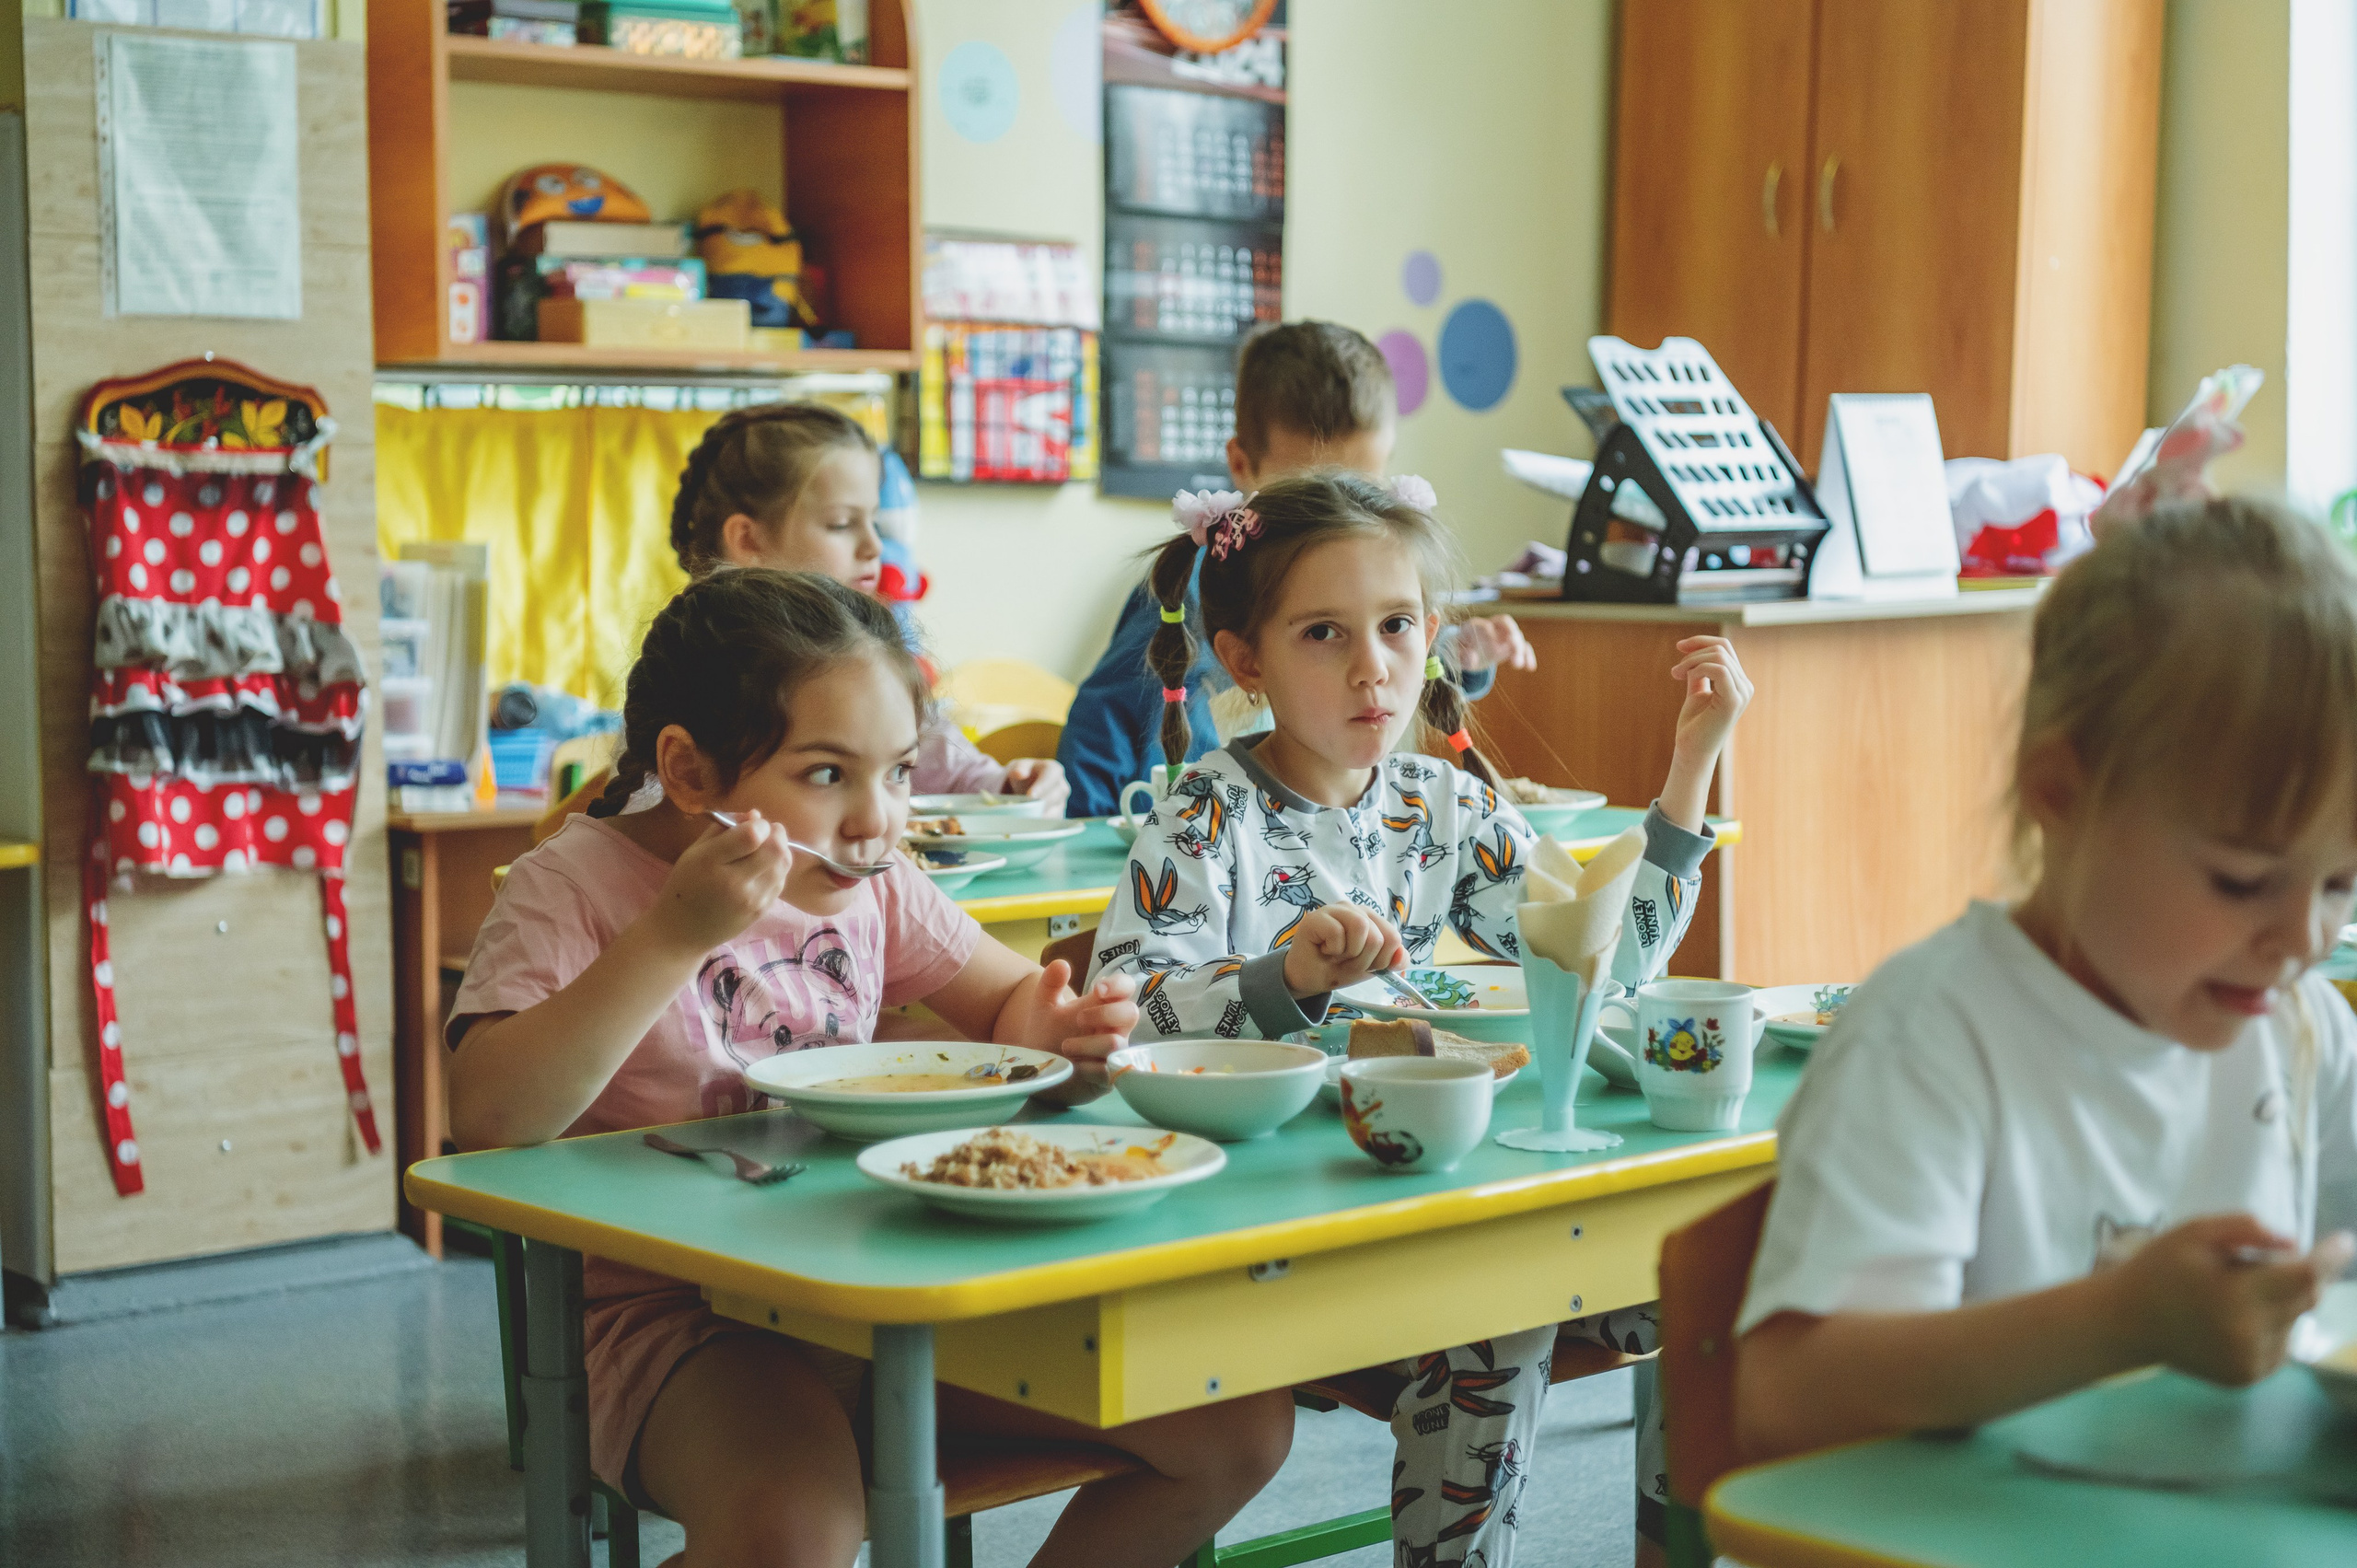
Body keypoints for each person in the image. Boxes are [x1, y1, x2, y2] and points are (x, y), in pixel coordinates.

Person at [447, 570, 1292, 1567]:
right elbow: (490, 1114)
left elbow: (1011, 1003)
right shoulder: (574, 885)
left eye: (896, 772)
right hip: (675, 1319)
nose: (875, 817)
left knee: (1230, 1427)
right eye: (824, 774)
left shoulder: (872, 880)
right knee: (799, 1532)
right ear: (686, 769)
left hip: (880, 1275)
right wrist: (674, 935)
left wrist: (1061, 1030)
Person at [1083, 471, 1751, 1566]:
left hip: (1427, 1197)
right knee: (1504, 1314)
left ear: (1430, 635)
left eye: (1396, 626)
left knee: (1698, 1274)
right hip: (1272, 1231)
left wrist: (1692, 762)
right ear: (1244, 659)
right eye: (1322, 633)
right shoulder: (1204, 813)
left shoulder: (1443, 801)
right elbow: (1134, 1018)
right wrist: (1284, 974)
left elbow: (1604, 954)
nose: (1371, 666)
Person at [1734, 495, 2357, 1470]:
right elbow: (1785, 1395)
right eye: (2243, 879)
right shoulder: (1933, 1038)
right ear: (2061, 791)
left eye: (2340, 883)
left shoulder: (2300, 1025)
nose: (2300, 937)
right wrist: (2118, 1319)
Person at [1058, 320, 1535, 819]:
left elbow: (1387, 650)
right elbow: (1101, 728)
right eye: (1306, 492)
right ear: (1242, 465)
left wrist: (1461, 657)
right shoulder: (1195, 591)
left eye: (1357, 487)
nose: (1333, 516)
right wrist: (1097, 836)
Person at [672, 401, 1068, 810]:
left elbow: (959, 774)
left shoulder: (867, 657)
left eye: (874, 522)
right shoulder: (687, 677)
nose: (874, 546)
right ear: (748, 540)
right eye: (842, 524)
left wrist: (1015, 788)